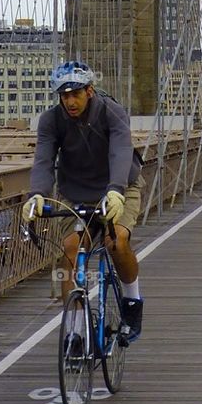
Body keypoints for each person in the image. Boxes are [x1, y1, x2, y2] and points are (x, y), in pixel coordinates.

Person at [22, 61, 144, 340]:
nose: (70, 101)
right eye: (64, 96)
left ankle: (132, 301)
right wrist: (37, 194)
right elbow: (43, 160)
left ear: (90, 91)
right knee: (70, 250)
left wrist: (116, 189)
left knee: (117, 242)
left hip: (119, 185)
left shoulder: (112, 112)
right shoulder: (51, 120)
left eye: (75, 93)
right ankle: (75, 332)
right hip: (76, 191)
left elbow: (121, 151)